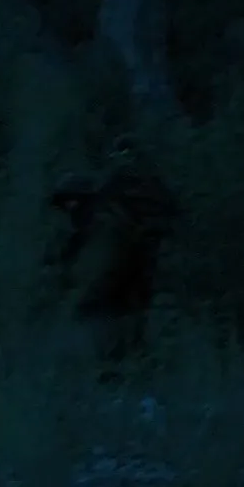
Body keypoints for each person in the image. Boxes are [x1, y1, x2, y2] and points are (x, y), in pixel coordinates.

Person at [49, 132, 179, 362]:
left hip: (116, 308)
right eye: (66, 204)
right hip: (120, 306)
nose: (70, 209)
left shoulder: (106, 225)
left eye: (73, 202)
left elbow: (104, 271)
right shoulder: (87, 231)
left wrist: (80, 299)